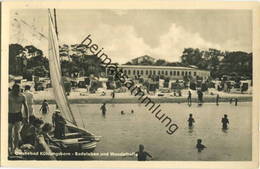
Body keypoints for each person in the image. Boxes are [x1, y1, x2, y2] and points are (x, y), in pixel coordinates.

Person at [9, 83, 29, 155]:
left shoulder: (22, 96)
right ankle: (10, 148)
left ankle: (14, 149)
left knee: (17, 133)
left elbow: (26, 107)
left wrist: (27, 117)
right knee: (10, 134)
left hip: (18, 115)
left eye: (19, 90)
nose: (18, 91)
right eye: (17, 90)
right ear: (13, 89)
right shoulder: (8, 95)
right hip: (9, 115)